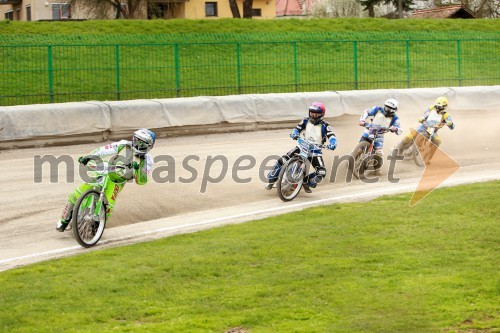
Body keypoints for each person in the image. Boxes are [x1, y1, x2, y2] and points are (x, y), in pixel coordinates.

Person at [56, 128, 156, 232]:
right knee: (76, 194)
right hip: (106, 169)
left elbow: (141, 181)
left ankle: (97, 228)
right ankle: (63, 220)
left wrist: (138, 169)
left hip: (117, 182)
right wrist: (89, 156)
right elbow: (104, 150)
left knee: (108, 207)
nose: (138, 144)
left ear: (149, 147)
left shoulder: (148, 161)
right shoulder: (124, 144)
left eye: (142, 143)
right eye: (136, 140)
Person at [265, 102, 337, 193]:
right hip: (301, 146)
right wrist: (294, 133)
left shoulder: (326, 125)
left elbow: (332, 136)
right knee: (283, 160)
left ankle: (306, 182)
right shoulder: (305, 120)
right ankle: (271, 179)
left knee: (321, 173)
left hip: (315, 151)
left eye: (316, 113)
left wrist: (333, 143)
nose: (313, 115)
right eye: (312, 113)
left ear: (321, 114)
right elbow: (297, 129)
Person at [394, 96, 454, 162]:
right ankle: (398, 149)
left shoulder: (446, 115)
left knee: (438, 141)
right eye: (437, 106)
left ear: (444, 107)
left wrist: (450, 124)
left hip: (433, 131)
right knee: (409, 136)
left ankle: (428, 157)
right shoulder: (431, 108)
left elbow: (452, 126)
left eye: (440, 107)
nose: (438, 108)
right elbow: (425, 114)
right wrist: (422, 118)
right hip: (423, 127)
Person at [357, 98, 402, 174]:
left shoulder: (395, 118)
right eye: (386, 107)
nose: (387, 110)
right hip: (369, 130)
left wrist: (395, 129)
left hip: (379, 135)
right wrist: (362, 120)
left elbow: (399, 130)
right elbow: (366, 111)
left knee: (379, 153)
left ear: (394, 110)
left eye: (390, 109)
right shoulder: (377, 109)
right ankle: (352, 157)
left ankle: (377, 169)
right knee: (359, 149)